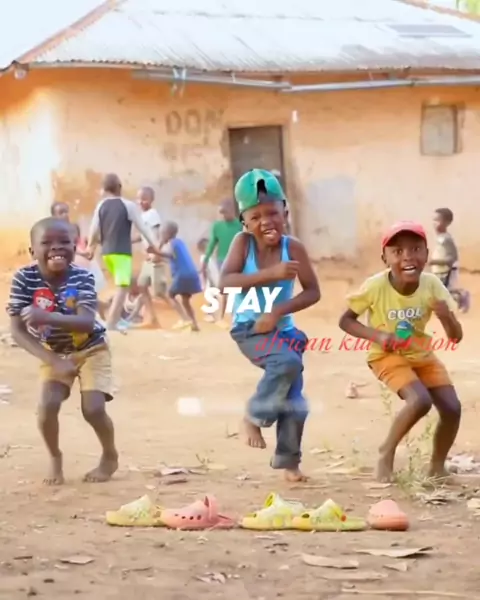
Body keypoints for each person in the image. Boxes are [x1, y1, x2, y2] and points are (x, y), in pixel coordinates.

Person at [338, 221, 463, 483]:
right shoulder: (375, 286)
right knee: (419, 401)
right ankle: (386, 452)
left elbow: (455, 337)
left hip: (421, 354)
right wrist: (379, 336)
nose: (407, 256)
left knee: (452, 408)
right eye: (397, 251)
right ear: (385, 259)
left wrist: (446, 318)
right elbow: (346, 321)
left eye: (416, 249)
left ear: (426, 255)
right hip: (386, 355)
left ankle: (437, 467)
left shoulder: (432, 285)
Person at [220, 169, 320, 482]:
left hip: (283, 330)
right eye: (256, 216)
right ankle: (254, 416)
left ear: (285, 213)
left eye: (273, 213)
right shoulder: (242, 244)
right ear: (244, 222)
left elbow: (313, 292)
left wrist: (278, 312)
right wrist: (271, 274)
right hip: (249, 329)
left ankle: (289, 463)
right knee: (286, 362)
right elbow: (225, 282)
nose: (266, 221)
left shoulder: (294, 248)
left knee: (296, 402)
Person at [6, 217, 118, 485]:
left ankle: (109, 455)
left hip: (92, 348)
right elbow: (17, 331)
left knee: (93, 409)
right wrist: (53, 360)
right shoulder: (24, 279)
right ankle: (55, 456)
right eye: (47, 242)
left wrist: (46, 317)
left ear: (75, 247)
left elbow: (87, 321)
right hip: (53, 350)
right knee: (47, 407)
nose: (56, 247)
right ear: (32, 250)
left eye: (64, 242)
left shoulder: (82, 277)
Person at [85, 173, 162, 331]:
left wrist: (90, 247)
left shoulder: (101, 206)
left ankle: (112, 317)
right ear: (119, 187)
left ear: (104, 189)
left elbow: (93, 229)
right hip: (121, 252)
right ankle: (111, 322)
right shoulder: (128, 206)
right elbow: (143, 227)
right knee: (123, 286)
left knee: (122, 285)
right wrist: (155, 245)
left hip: (106, 253)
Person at [51, 202, 109, 320]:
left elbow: (77, 244)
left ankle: (91, 313)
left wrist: (87, 249)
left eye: (66, 211)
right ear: (54, 216)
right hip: (67, 266)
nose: (65, 215)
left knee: (81, 291)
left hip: (81, 266)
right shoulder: (53, 231)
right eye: (61, 212)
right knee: (70, 292)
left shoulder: (72, 228)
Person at [128, 186, 167, 327]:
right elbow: (143, 235)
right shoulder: (142, 216)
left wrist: (157, 252)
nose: (140, 202)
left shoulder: (152, 214)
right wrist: (128, 240)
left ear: (151, 200)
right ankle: (152, 319)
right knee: (142, 285)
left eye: (144, 199)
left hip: (154, 256)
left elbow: (158, 234)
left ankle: (183, 314)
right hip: (148, 258)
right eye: (138, 199)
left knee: (159, 293)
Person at [202, 199, 243, 326]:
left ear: (232, 211)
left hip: (237, 260)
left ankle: (234, 315)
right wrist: (205, 260)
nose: (223, 215)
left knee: (236, 289)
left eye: (225, 212)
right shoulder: (217, 226)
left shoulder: (240, 226)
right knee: (223, 288)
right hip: (221, 261)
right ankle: (220, 316)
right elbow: (212, 244)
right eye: (221, 212)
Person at [159, 221, 202, 332]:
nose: (161, 236)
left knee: (170, 295)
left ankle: (185, 319)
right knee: (185, 300)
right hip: (192, 273)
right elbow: (172, 258)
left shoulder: (172, 243)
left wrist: (156, 250)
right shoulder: (180, 243)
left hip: (182, 274)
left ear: (168, 233)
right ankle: (194, 324)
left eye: (162, 233)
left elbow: (168, 254)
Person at [430, 208, 470, 313]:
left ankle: (462, 295)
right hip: (439, 269)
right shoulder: (439, 238)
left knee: (445, 291)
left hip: (447, 270)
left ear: (447, 222)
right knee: (439, 290)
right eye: (433, 220)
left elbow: (453, 257)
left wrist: (434, 262)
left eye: (438, 220)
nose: (434, 223)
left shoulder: (446, 239)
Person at [198, 237, 220, 323]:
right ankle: (209, 315)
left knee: (214, 298)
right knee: (213, 298)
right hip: (211, 282)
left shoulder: (208, 258)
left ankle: (210, 315)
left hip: (213, 281)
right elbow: (204, 271)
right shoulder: (204, 258)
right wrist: (209, 282)